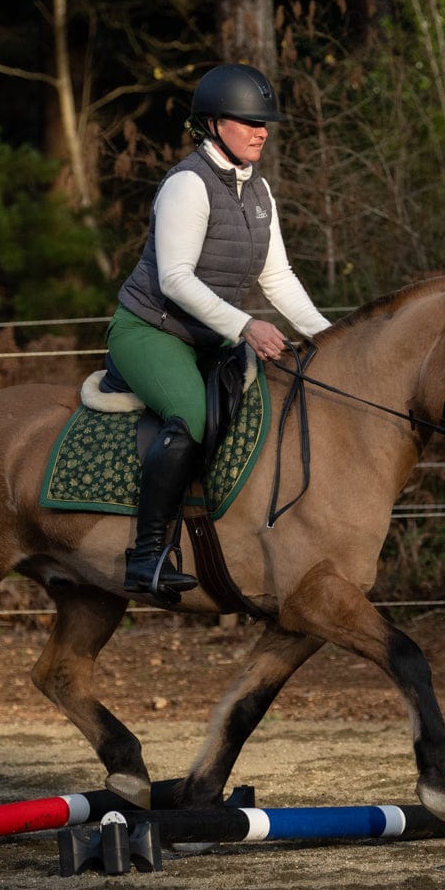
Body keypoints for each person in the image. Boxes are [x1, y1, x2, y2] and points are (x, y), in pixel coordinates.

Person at [107, 63, 333, 603]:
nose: (262, 130)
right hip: (150, 332)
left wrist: (331, 339)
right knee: (189, 417)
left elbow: (276, 277)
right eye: (248, 121)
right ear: (211, 124)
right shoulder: (188, 184)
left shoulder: (258, 192)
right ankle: (147, 557)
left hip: (211, 338)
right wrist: (246, 324)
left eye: (265, 123)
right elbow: (175, 279)